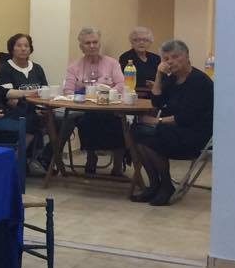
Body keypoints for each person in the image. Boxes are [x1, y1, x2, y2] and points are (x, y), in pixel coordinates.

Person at [132, 39, 214, 206]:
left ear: (187, 56)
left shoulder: (199, 81)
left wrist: (157, 121)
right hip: (174, 129)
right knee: (137, 131)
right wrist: (158, 75)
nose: (170, 62)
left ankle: (166, 185)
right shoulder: (171, 79)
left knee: (157, 133)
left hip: (195, 133)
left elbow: (187, 117)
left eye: (175, 57)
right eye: (166, 58)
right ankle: (155, 184)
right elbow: (157, 102)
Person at [63, 27, 128, 176]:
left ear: (99, 44)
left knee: (119, 123)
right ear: (81, 46)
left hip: (111, 108)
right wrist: (87, 94)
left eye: (95, 42)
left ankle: (118, 163)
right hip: (87, 110)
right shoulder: (74, 67)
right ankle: (91, 157)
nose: (92, 46)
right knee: (87, 120)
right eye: (87, 43)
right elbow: (68, 91)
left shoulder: (112, 63)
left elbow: (120, 84)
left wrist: (105, 93)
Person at [119, 27, 161, 94]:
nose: (141, 42)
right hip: (135, 93)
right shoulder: (125, 57)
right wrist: (146, 83)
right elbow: (125, 79)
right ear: (132, 42)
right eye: (137, 40)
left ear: (150, 43)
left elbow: (162, 77)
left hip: (155, 93)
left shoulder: (156, 58)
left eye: (145, 40)